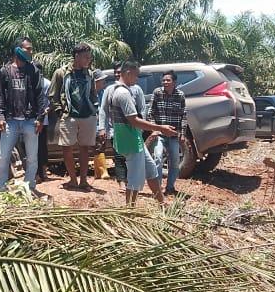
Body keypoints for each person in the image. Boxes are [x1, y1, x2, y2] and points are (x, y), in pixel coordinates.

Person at [106, 61, 177, 206]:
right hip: (130, 140)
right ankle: (129, 210)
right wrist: (160, 128)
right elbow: (134, 120)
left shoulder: (118, 90)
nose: (137, 79)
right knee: (135, 179)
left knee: (151, 170)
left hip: (134, 138)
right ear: (128, 73)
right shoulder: (123, 93)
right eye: (136, 75)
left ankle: (162, 203)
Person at [0, 43, 46, 192]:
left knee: (32, 157)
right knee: (3, 156)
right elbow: (0, 95)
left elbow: (40, 95)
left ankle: (29, 187)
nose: (31, 51)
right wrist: (0, 117)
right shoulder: (5, 71)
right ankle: (0, 188)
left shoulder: (33, 70)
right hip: (10, 120)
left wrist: (40, 118)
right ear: (18, 50)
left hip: (30, 120)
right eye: (28, 48)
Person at [49, 42, 101, 190]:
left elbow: (93, 94)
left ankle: (83, 180)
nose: (88, 60)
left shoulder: (89, 74)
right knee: (67, 148)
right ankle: (73, 179)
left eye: (89, 57)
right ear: (76, 56)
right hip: (69, 115)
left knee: (85, 148)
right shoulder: (61, 73)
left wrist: (94, 109)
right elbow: (53, 94)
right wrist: (60, 111)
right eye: (86, 57)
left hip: (87, 115)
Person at [147, 71, 188, 195]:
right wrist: (154, 129)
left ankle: (170, 187)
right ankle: (158, 189)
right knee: (158, 158)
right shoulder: (157, 93)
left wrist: (182, 133)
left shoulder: (180, 95)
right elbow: (150, 113)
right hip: (159, 134)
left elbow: (183, 115)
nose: (165, 82)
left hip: (174, 135)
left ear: (174, 82)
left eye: (168, 80)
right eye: (163, 80)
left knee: (175, 161)